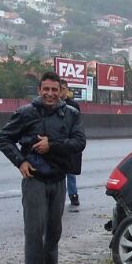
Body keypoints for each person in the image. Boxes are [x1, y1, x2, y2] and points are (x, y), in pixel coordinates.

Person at [0, 72, 87, 264]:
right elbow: (4, 138)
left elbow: (79, 142)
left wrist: (52, 145)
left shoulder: (72, 114)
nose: (50, 94)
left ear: (61, 91)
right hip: (34, 179)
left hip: (58, 178)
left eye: (54, 90)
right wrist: (20, 162)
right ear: (39, 90)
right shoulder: (26, 113)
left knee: (54, 230)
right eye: (46, 89)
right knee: (35, 230)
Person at [58, 78, 82, 210]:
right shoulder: (52, 105)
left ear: (66, 90)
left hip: (70, 143)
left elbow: (78, 126)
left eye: (62, 88)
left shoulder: (73, 106)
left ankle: (73, 195)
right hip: (57, 143)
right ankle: (58, 197)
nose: (60, 91)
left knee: (70, 171)